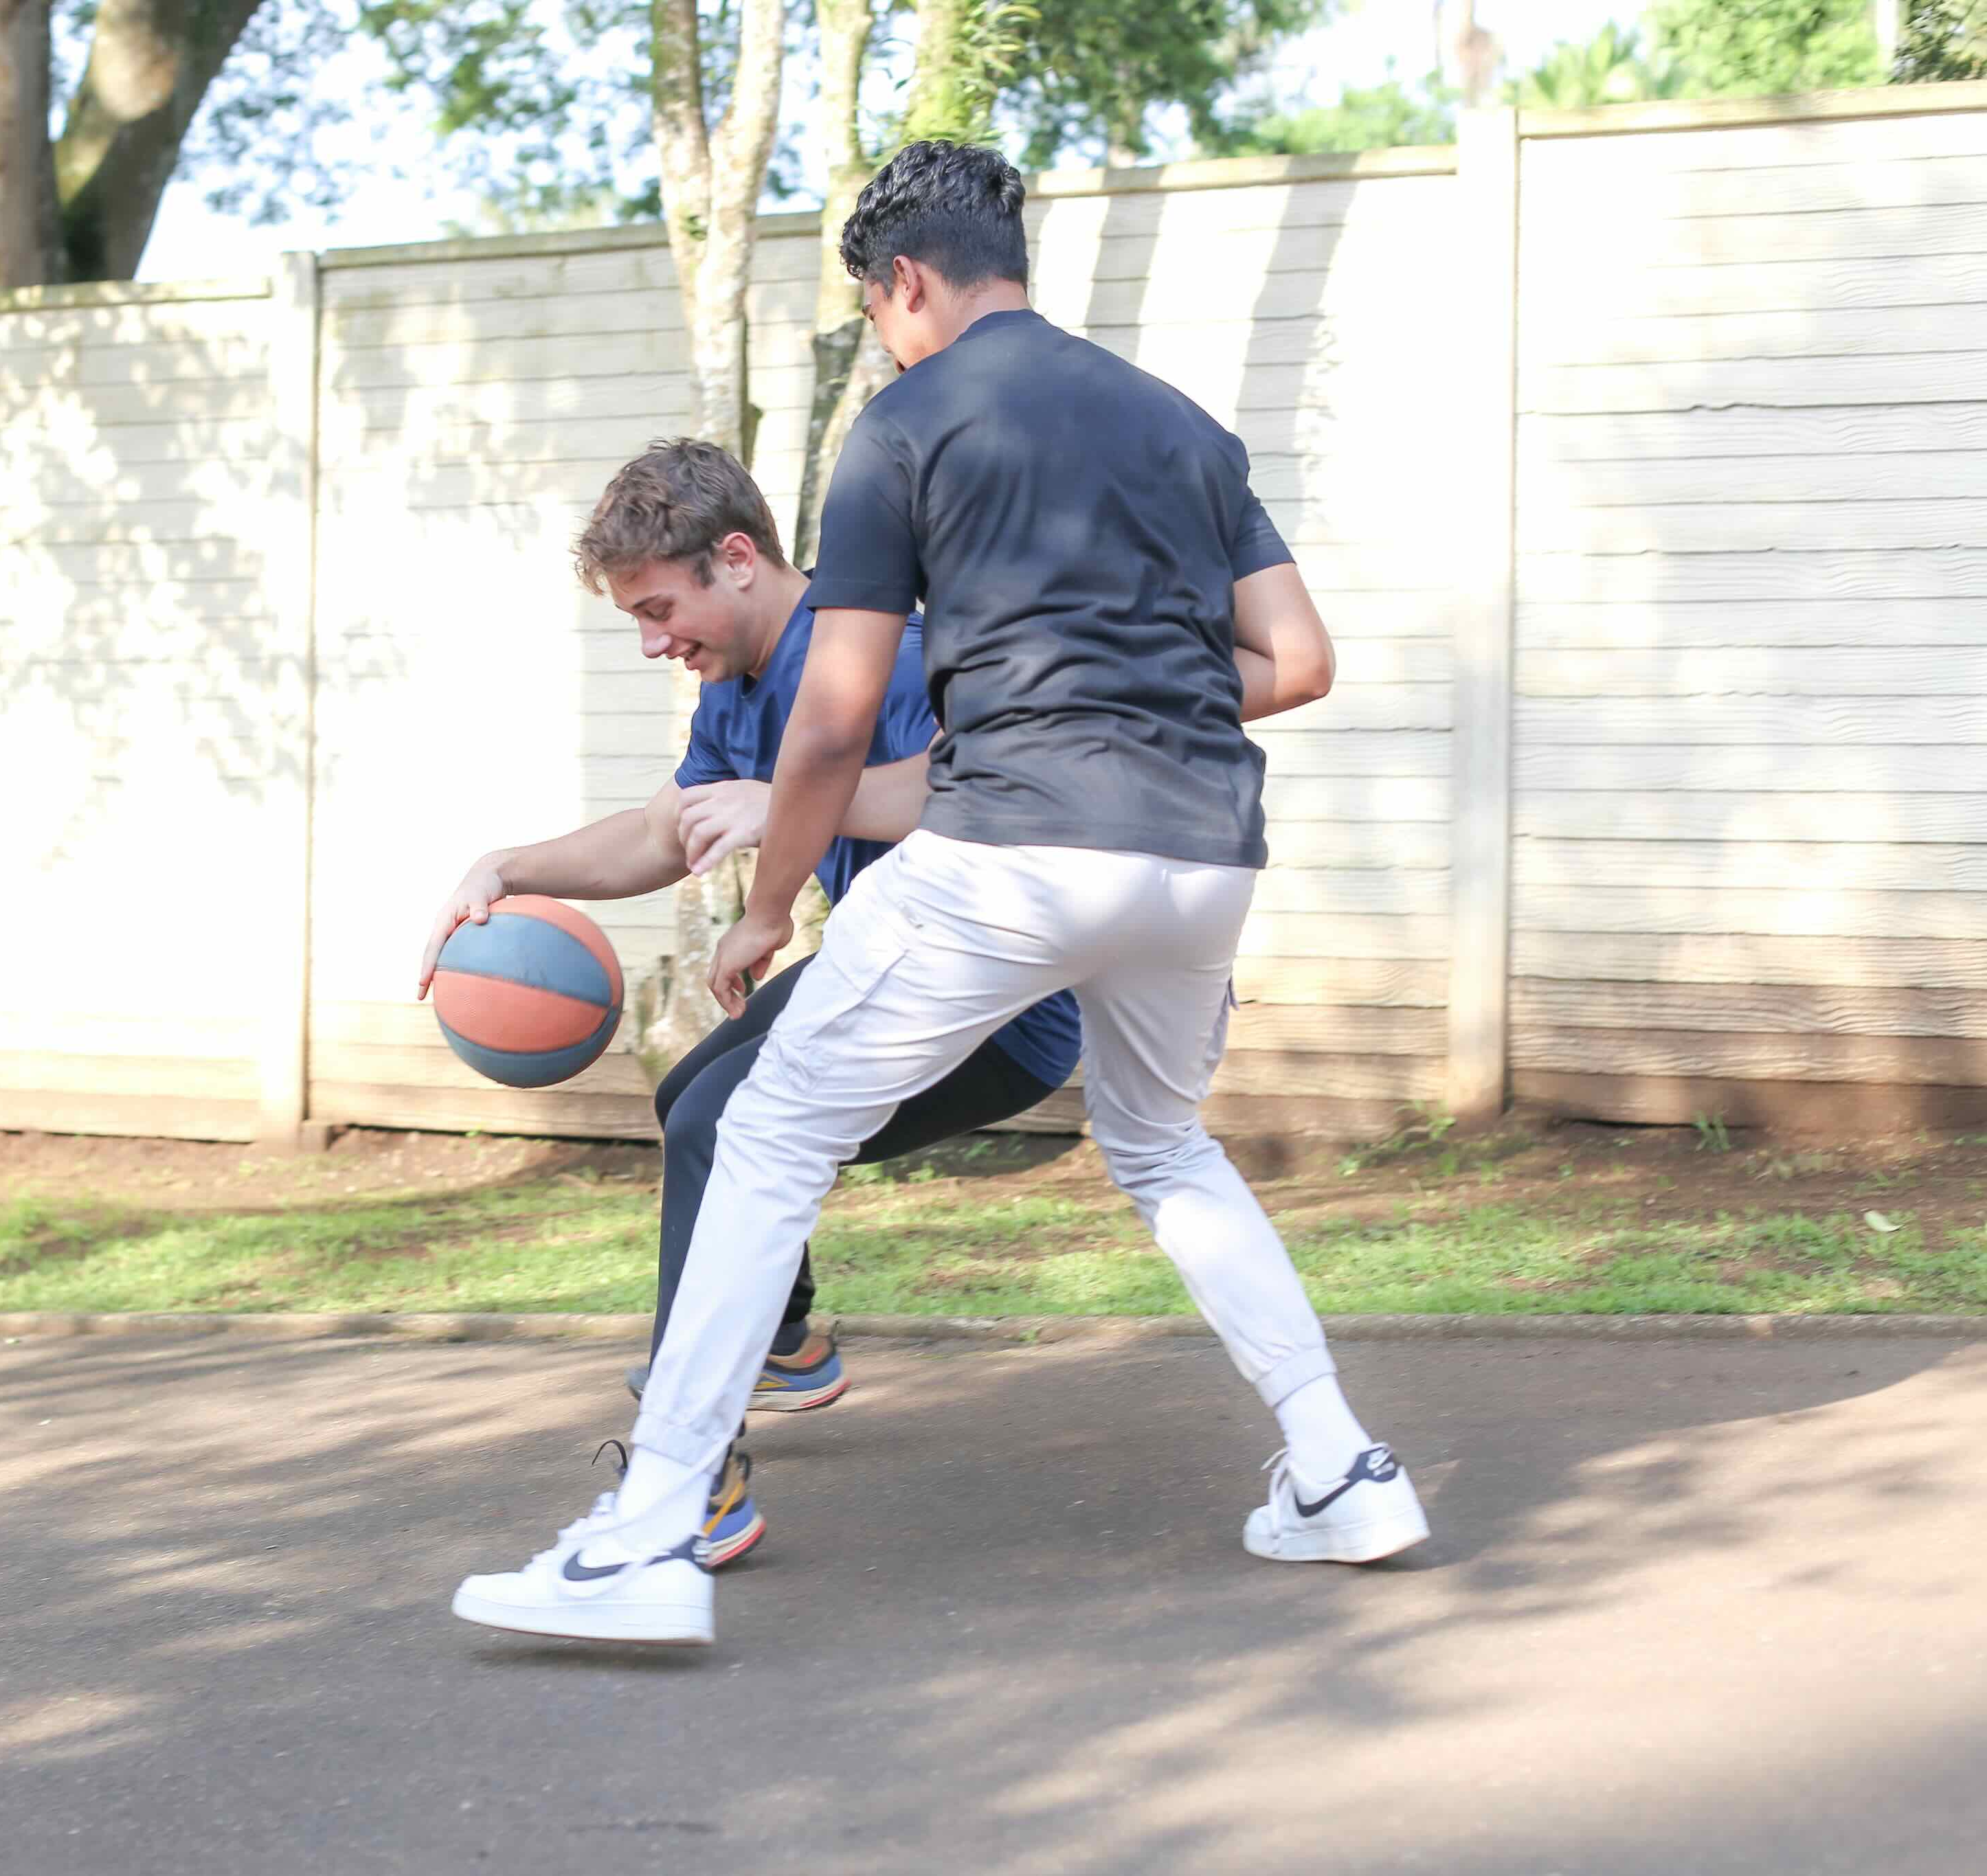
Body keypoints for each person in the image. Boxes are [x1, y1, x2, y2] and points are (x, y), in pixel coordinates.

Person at [451, 140, 1428, 1648]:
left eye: (878, 309)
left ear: (901, 283)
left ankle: (646, 1536)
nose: (887, 336)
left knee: (763, 1126)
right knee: (1163, 1146)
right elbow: (1292, 663)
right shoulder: (1178, 426)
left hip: (1018, 851)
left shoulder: (907, 422)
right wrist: (1131, 698)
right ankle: (1339, 1468)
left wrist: (769, 908)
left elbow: (834, 715)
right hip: (1199, 859)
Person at [416, 439, 1083, 1570]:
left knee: (717, 1130)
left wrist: (783, 809)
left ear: (738, 559)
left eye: (662, 607)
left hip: (995, 1005)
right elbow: (656, 836)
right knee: (693, 1094)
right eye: (634, 617)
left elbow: (969, 792)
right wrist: (509, 865)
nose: (653, 640)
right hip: (889, 968)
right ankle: (780, 1339)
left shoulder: (883, 653)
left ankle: (695, 1474)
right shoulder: (735, 687)